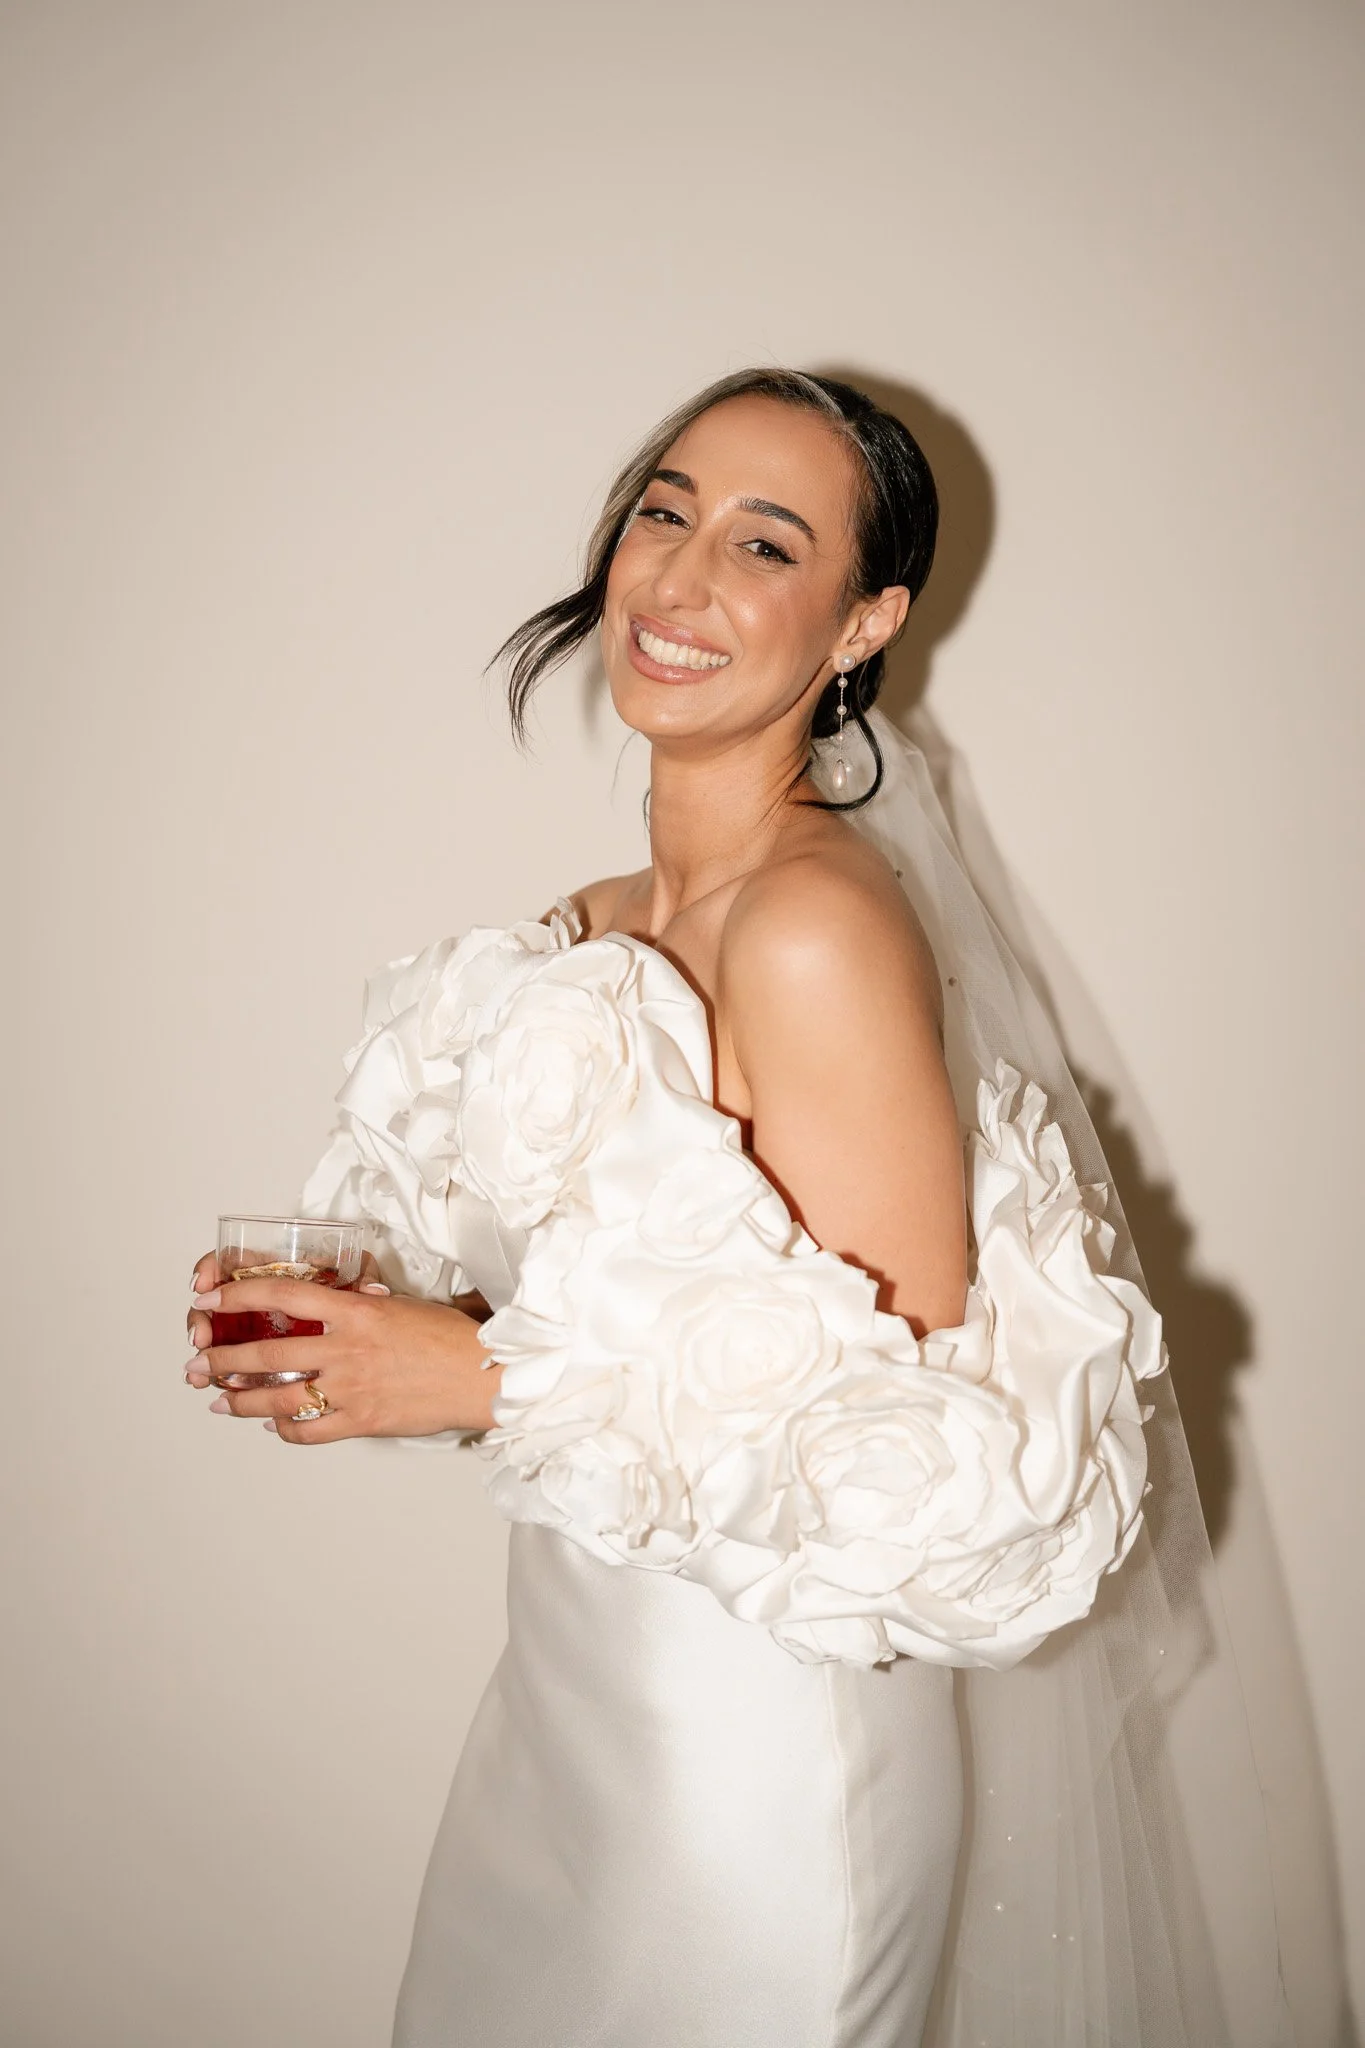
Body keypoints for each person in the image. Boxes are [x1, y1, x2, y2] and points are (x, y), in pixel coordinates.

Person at [186, 370, 1291, 2045]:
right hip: (571, 1717)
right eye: (662, 511)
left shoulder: (811, 932)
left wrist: (472, 1377)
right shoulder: (592, 926)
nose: (681, 579)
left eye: (765, 543)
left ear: (864, 623)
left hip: (758, 1770)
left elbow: (913, 1456)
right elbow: (673, 1336)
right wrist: (384, 1347)